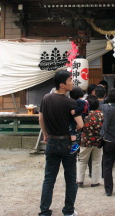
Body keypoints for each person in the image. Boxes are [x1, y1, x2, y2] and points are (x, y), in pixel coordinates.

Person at [38, 70, 83, 216]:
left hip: (51, 141)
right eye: (70, 80)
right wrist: (72, 128)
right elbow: (80, 124)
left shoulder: (46, 98)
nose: (72, 82)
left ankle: (44, 211)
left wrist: (45, 134)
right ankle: (68, 210)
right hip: (67, 144)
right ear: (62, 85)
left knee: (49, 178)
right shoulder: (71, 102)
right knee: (70, 179)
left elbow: (41, 119)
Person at [100, 88, 115, 196]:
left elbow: (102, 102)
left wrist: (109, 98)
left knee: (107, 166)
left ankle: (108, 190)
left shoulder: (105, 108)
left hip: (108, 141)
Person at [76, 95, 103, 187]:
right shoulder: (101, 115)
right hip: (98, 141)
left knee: (82, 160)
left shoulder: (84, 115)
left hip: (85, 141)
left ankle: (80, 180)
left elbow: (79, 127)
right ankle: (95, 181)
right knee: (96, 161)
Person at [69, 87, 89, 154]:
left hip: (80, 116)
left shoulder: (78, 101)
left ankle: (74, 144)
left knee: (72, 129)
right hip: (85, 117)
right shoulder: (86, 101)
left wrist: (75, 110)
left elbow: (81, 108)